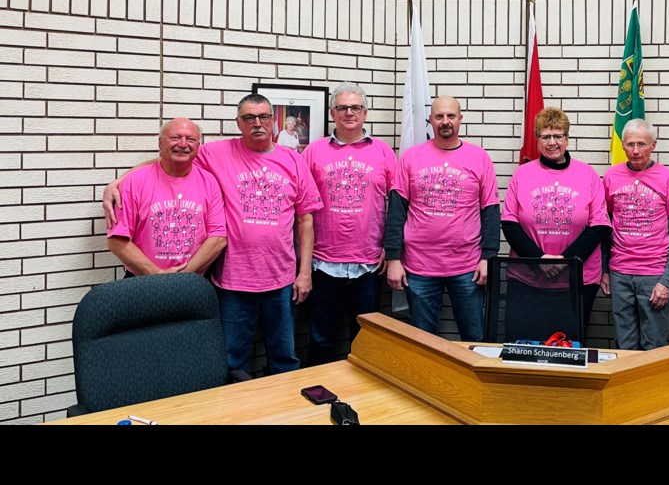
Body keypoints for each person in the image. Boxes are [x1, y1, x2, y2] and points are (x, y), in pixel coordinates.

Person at [104, 94, 322, 375]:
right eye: (249, 118)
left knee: (284, 358)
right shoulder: (216, 153)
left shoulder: (294, 161)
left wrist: (304, 273)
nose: (257, 123)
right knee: (231, 361)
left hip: (281, 280)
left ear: (273, 122)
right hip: (233, 281)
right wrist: (118, 182)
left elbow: (306, 220)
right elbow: (173, 157)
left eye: (264, 117)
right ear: (238, 123)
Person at [384, 95, 500, 342]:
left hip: (467, 266)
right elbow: (396, 211)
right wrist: (393, 258)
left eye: (450, 116)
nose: (445, 121)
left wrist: (488, 258)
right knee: (423, 343)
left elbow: (490, 211)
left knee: (474, 340)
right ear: (430, 120)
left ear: (460, 119)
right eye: (439, 116)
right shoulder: (411, 157)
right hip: (419, 267)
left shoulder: (479, 158)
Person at [301, 83, 398, 365]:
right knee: (322, 338)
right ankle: (317, 391)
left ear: (365, 113)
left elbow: (398, 206)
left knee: (366, 338)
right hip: (323, 263)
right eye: (342, 108)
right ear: (332, 113)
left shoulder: (383, 152)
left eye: (355, 107)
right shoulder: (313, 152)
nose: (349, 113)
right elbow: (301, 208)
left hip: (368, 264)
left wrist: (390, 250)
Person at [502, 107, 612, 340]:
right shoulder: (522, 174)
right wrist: (539, 260)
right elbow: (509, 223)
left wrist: (566, 262)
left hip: (577, 280)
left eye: (558, 136)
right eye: (545, 136)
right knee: (524, 346)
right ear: (538, 140)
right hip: (527, 280)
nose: (552, 142)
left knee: (568, 348)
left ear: (567, 139)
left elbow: (600, 225)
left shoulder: (588, 174)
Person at [602, 118, 669, 350]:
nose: (636, 151)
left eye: (642, 144)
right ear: (622, 146)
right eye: (630, 144)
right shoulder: (611, 177)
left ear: (654, 145)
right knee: (625, 344)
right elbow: (604, 227)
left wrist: (667, 280)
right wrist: (604, 271)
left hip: (655, 274)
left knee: (654, 346)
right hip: (620, 272)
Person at [107, 117, 226, 277]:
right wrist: (158, 275)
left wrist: (185, 274)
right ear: (160, 143)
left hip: (193, 280)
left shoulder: (209, 182)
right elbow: (117, 241)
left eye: (190, 139)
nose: (183, 144)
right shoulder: (134, 182)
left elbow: (218, 237)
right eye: (175, 138)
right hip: (143, 280)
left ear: (198, 147)